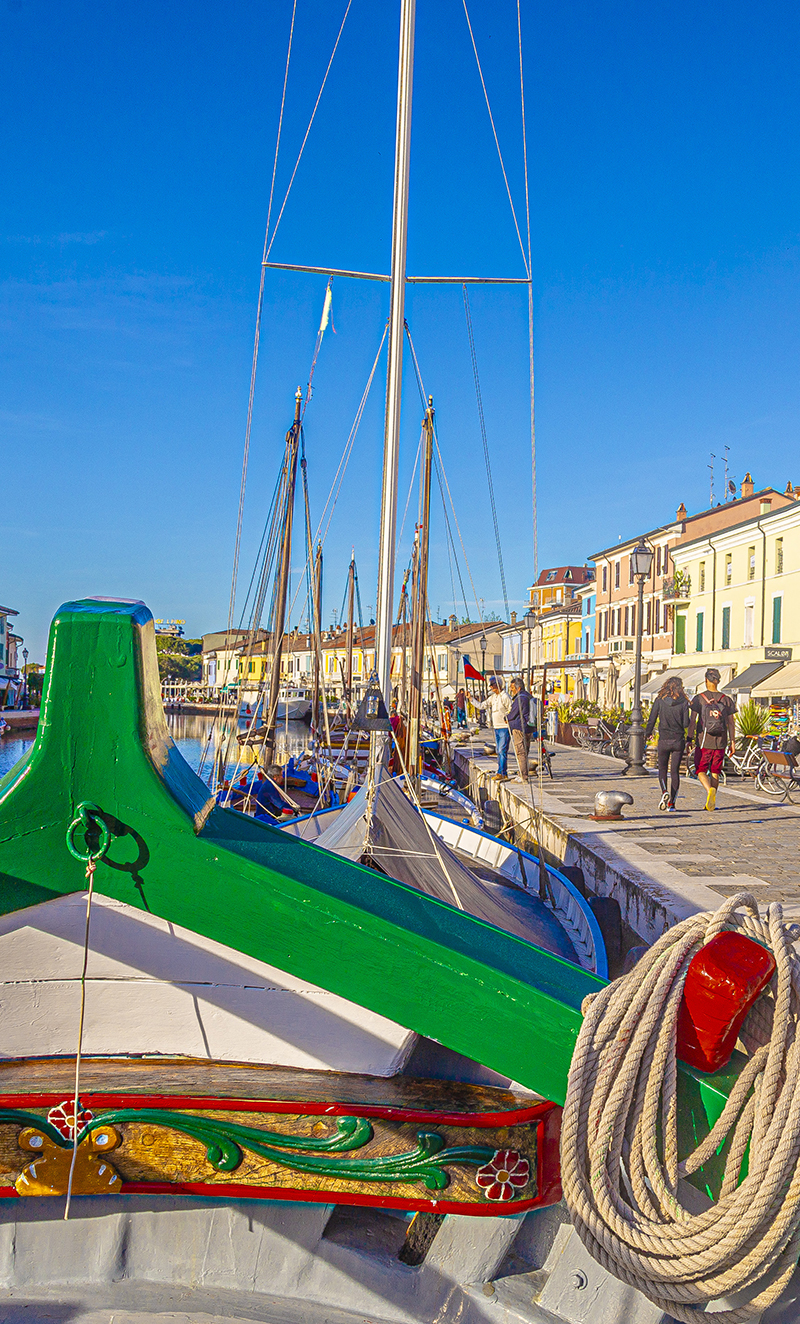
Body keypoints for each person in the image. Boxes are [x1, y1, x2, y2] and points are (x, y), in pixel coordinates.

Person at [688, 667, 737, 811]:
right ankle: (712, 801)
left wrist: (689, 738)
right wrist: (732, 742)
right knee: (715, 771)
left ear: (706, 680)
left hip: (704, 740)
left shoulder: (699, 699)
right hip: (721, 741)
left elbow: (692, 721)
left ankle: (710, 791)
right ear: (718, 681)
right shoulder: (726, 700)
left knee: (701, 770)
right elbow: (731, 723)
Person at [644, 676, 690, 811]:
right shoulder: (684, 703)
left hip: (664, 740)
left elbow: (651, 719)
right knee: (675, 771)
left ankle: (664, 792)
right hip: (678, 741)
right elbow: (686, 724)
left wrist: (648, 732)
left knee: (662, 769)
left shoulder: (660, 701)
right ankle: (672, 804)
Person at [481, 677, 512, 781]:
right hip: (496, 728)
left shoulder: (505, 696)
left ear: (498, 684)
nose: (490, 686)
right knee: (499, 751)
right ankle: (500, 771)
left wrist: (507, 717)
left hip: (504, 727)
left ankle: (503, 773)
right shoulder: (493, 697)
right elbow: (482, 705)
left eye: (492, 684)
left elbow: (511, 709)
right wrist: (471, 699)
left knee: (501, 750)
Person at [507, 676, 531, 783]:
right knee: (525, 752)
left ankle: (523, 776)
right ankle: (523, 773)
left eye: (512, 687)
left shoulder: (520, 698)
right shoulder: (529, 696)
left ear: (518, 687)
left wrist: (506, 718)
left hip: (519, 728)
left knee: (520, 753)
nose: (511, 690)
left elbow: (513, 713)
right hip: (529, 728)